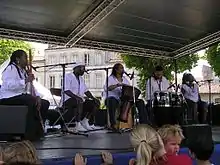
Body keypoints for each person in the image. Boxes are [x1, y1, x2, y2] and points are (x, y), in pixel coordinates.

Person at [0, 50, 49, 141]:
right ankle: (27, 134)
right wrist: (25, 80)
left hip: (20, 96)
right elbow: (9, 85)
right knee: (30, 100)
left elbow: (31, 87)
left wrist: (38, 96)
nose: (27, 60)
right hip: (8, 97)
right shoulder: (10, 69)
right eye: (25, 57)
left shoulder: (23, 71)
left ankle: (37, 131)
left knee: (45, 103)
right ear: (17, 59)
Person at [103, 63, 149, 130]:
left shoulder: (125, 79)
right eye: (121, 68)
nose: (123, 70)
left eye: (123, 68)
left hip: (124, 99)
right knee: (111, 101)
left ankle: (144, 123)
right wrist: (118, 85)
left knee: (140, 101)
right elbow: (108, 88)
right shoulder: (110, 78)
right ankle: (113, 124)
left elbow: (129, 89)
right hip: (113, 98)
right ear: (116, 69)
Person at [62, 63, 100, 132]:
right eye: (82, 68)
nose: (83, 70)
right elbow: (66, 90)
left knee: (95, 103)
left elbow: (86, 91)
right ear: (76, 68)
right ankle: (77, 124)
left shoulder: (81, 79)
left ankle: (85, 121)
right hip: (67, 100)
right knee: (79, 100)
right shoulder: (68, 76)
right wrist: (77, 97)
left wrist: (93, 98)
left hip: (79, 101)